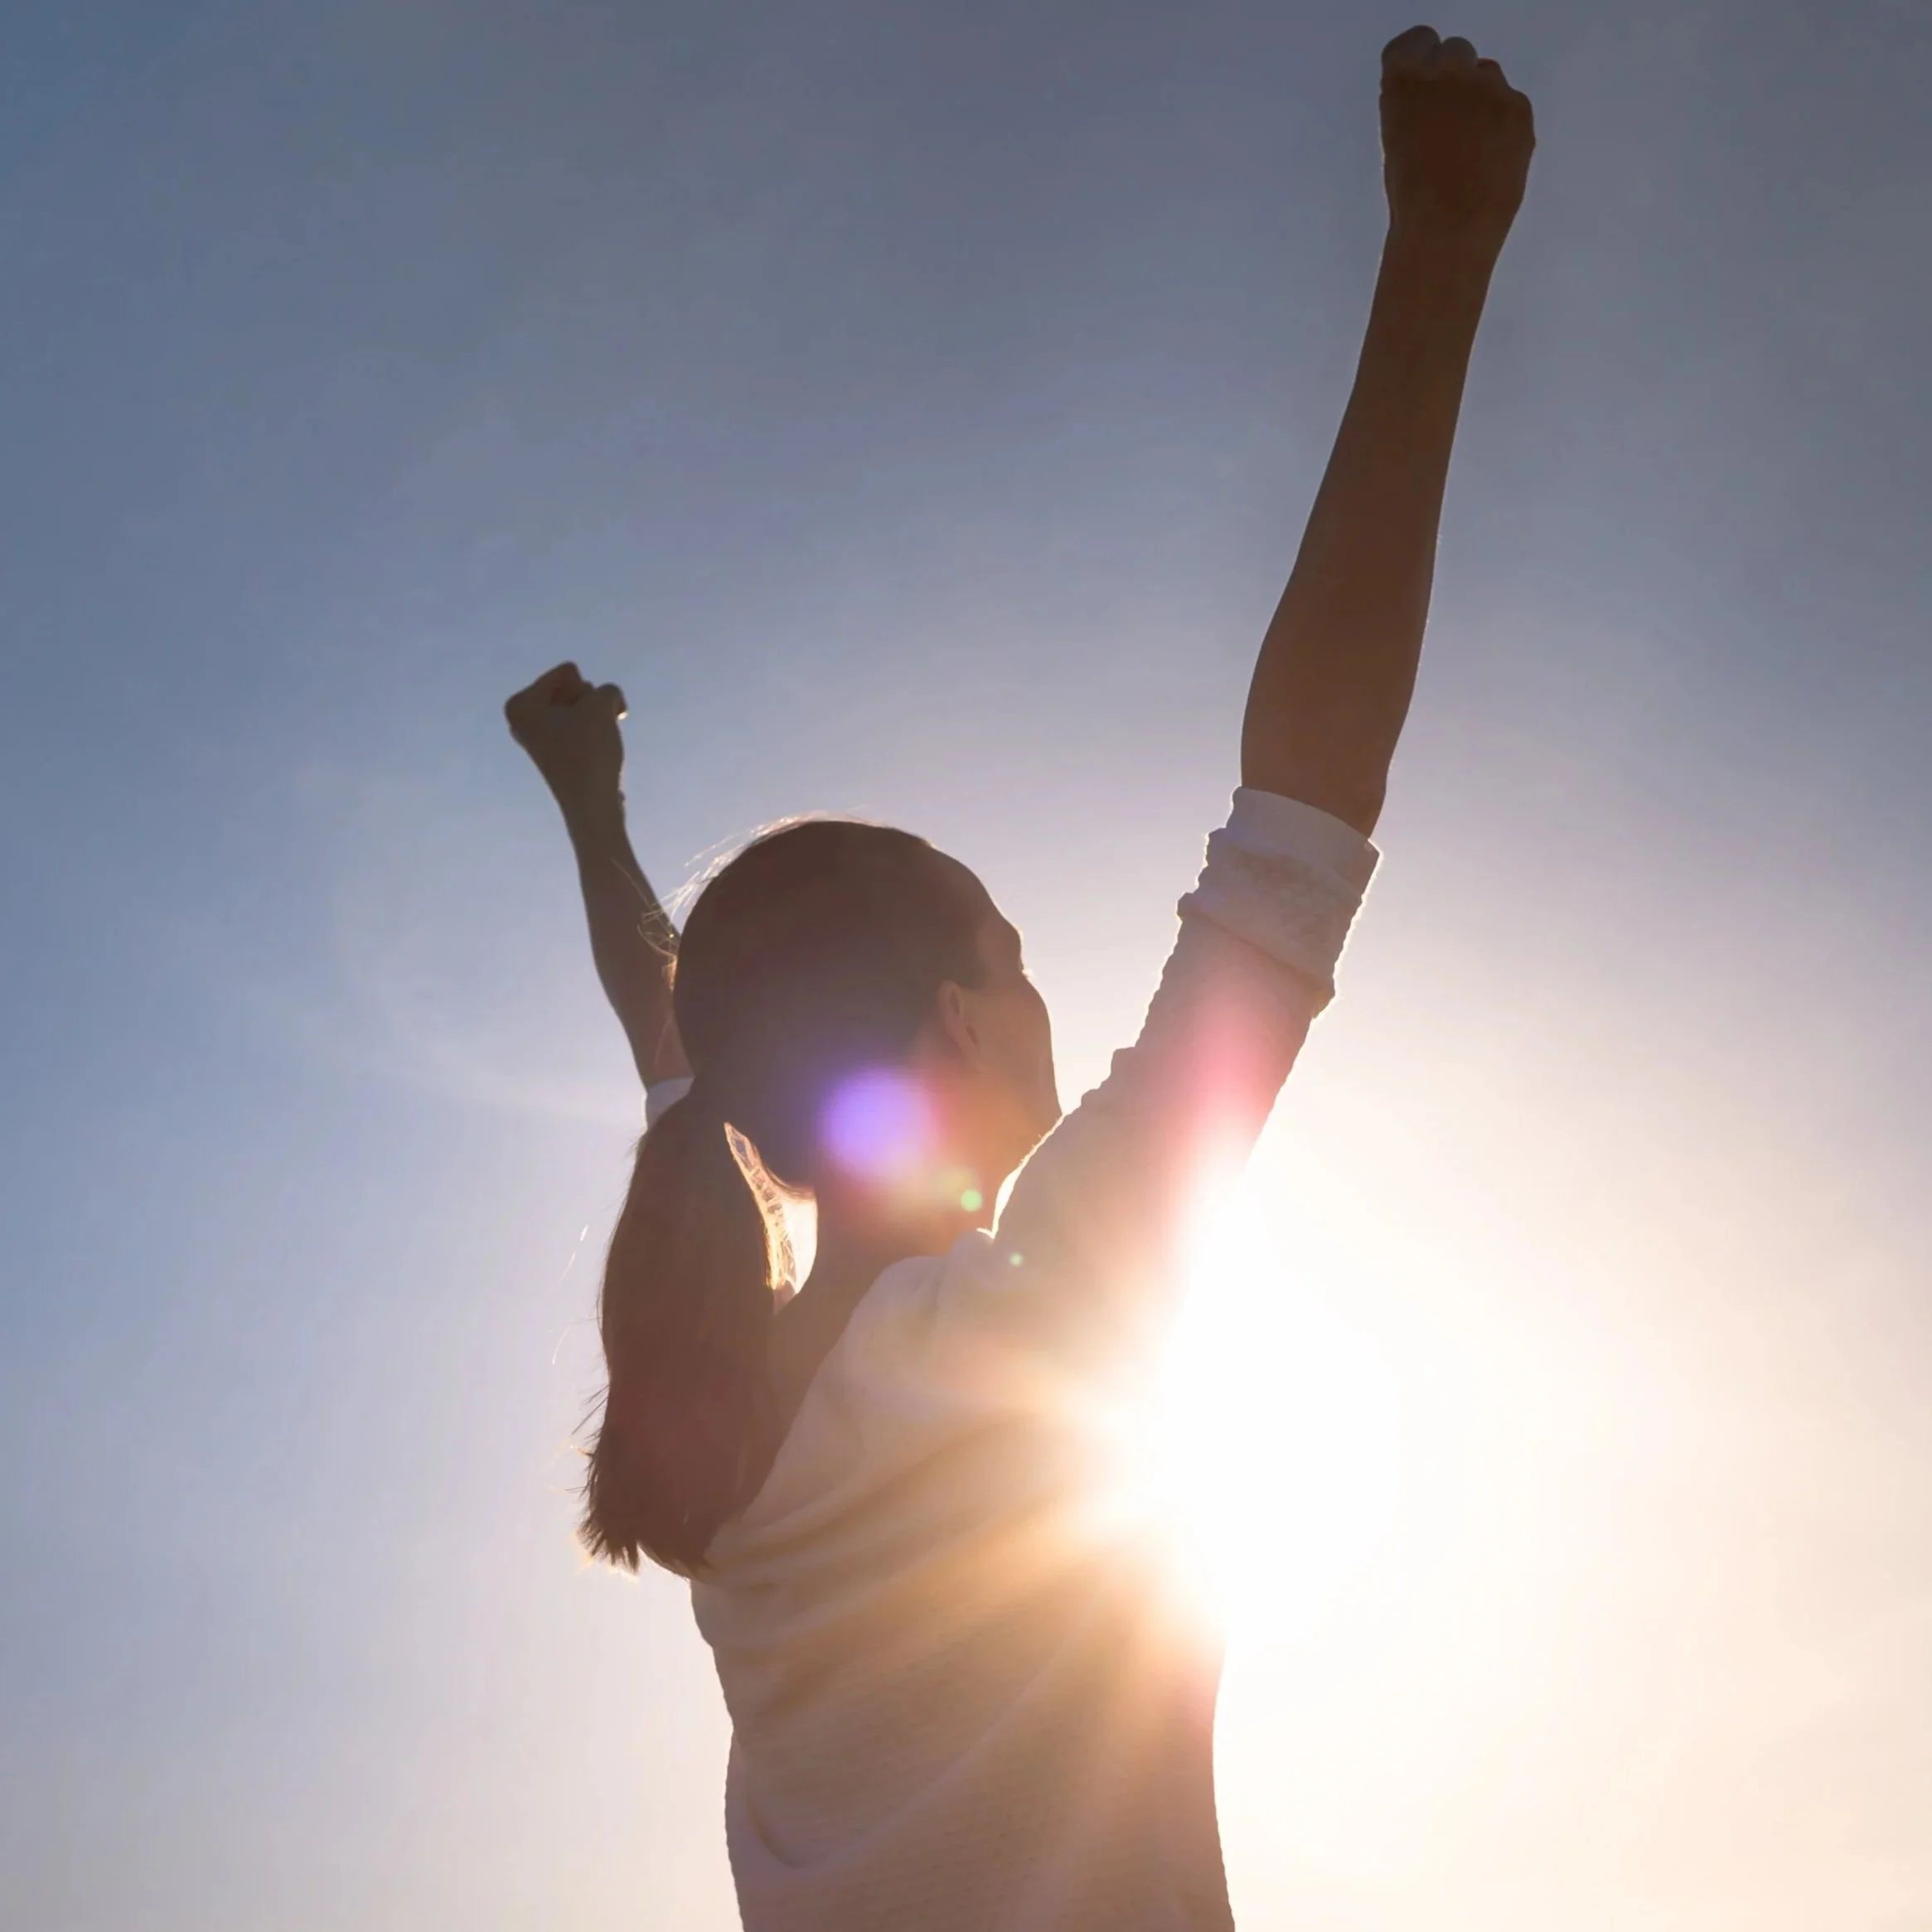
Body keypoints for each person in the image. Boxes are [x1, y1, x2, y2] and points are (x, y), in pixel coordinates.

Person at [506, 27, 1533, 1930]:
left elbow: (666, 1036)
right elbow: (1302, 807)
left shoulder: (730, 1443)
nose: (1057, 1014)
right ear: (960, 1022)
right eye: (1021, 958)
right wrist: (1437, 260)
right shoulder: (1044, 1303)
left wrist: (589, 805)